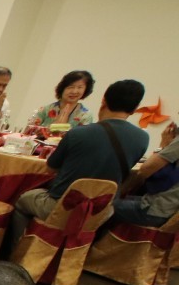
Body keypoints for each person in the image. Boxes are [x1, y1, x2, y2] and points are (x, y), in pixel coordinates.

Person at [13, 79, 150, 237]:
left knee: (22, 200)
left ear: (104, 100)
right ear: (135, 109)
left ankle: (14, 252)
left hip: (62, 206)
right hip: (101, 210)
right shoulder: (142, 138)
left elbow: (50, 168)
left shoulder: (78, 133)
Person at [115, 121, 179, 227]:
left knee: (100, 207)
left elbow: (145, 169)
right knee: (118, 198)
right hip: (169, 209)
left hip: (156, 210)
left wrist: (164, 145)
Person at [29, 70, 96, 130]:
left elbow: (81, 140)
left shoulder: (86, 115)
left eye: (80, 87)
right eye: (71, 87)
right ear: (62, 88)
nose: (74, 91)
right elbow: (28, 132)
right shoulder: (45, 110)